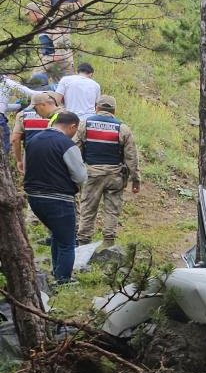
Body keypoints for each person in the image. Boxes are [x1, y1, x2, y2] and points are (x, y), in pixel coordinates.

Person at [24, 112, 86, 284]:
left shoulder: (33, 140)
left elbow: (27, 165)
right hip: (59, 197)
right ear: (72, 126)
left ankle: (56, 272)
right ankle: (63, 280)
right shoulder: (66, 144)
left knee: (58, 235)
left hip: (34, 197)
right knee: (67, 241)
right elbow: (80, 176)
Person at [75, 95, 140, 246]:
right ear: (114, 110)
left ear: (96, 108)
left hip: (91, 174)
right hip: (115, 175)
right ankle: (109, 243)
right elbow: (131, 157)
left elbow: (75, 150)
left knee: (88, 208)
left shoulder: (85, 124)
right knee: (112, 210)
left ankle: (83, 242)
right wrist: (135, 179)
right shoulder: (122, 128)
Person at [10, 92, 64, 173]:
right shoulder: (66, 115)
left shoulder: (22, 114)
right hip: (55, 156)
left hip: (31, 155)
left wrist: (19, 160)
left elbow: (15, 139)